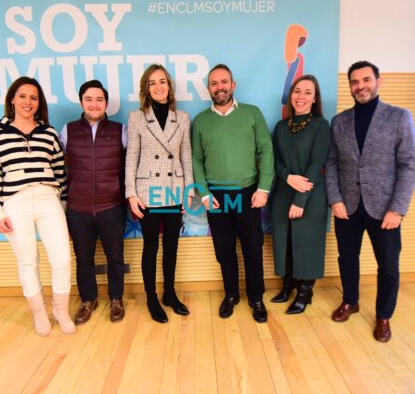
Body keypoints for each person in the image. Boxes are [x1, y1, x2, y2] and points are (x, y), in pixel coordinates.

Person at [326, 61, 415, 342]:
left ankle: (383, 316)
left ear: (379, 81)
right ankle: (350, 301)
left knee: (388, 265)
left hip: (385, 209)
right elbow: (331, 164)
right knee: (347, 258)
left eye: (366, 79)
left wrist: (398, 208)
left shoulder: (399, 117)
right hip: (347, 206)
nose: (360, 86)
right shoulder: (339, 122)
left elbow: (409, 165)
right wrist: (335, 199)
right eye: (354, 81)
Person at [0, 76, 75, 336]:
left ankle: (60, 310)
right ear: (12, 99)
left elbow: (60, 173)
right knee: (27, 261)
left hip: (48, 199)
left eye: (33, 98)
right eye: (22, 96)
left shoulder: (48, 132)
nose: (28, 102)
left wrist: (63, 208)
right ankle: (39, 312)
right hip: (15, 202)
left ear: (39, 103)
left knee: (62, 258)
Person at [192, 64, 274, 323]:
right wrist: (204, 193)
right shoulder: (201, 121)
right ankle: (231, 295)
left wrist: (263, 188)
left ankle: (256, 297)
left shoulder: (252, 113)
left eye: (224, 82)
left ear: (233, 85)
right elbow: (196, 159)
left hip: (248, 193)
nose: (220, 87)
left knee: (253, 248)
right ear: (208, 89)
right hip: (216, 196)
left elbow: (266, 150)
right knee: (224, 250)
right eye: (214, 83)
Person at [125, 64, 193, 323]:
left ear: (169, 85)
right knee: (151, 246)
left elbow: (186, 156)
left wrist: (188, 191)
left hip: (175, 189)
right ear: (146, 88)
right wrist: (131, 194)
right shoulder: (136, 117)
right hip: (147, 191)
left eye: (162, 81)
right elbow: (131, 158)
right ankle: (151, 297)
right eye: (152, 82)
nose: (158, 86)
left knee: (171, 246)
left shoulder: (182, 117)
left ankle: (169, 293)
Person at [60, 80, 126, 325]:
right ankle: (89, 300)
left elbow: (130, 166)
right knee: (83, 258)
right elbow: (58, 167)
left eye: (99, 99)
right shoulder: (67, 131)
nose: (94, 104)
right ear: (81, 103)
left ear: (106, 103)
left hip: (111, 206)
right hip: (78, 208)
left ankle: (116, 298)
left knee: (115, 256)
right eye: (89, 99)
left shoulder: (121, 130)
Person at [270, 75, 331, 314]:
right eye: (297, 91)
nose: (301, 97)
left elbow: (316, 165)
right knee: (283, 242)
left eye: (308, 92)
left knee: (307, 244)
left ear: (315, 98)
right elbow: (274, 160)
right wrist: (287, 177)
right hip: (282, 192)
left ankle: (305, 292)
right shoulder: (281, 127)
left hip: (310, 195)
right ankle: (288, 286)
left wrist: (300, 200)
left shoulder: (321, 126)